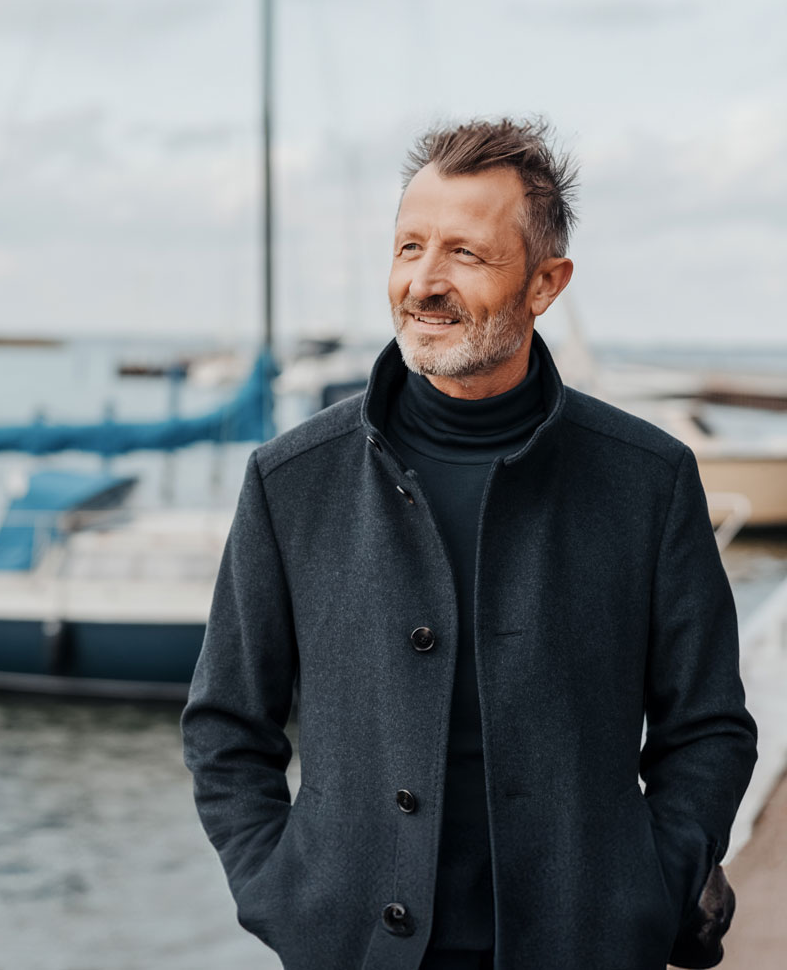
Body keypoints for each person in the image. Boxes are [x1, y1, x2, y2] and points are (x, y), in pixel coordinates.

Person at [183, 118, 754, 969]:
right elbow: (227, 726)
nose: (424, 280)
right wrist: (285, 893)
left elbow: (707, 728)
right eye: (409, 246)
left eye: (466, 254)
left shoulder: (650, 478)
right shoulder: (289, 479)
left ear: (545, 282)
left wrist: (651, 886)